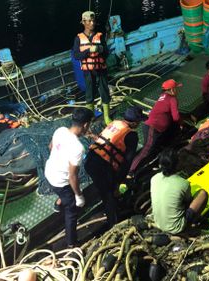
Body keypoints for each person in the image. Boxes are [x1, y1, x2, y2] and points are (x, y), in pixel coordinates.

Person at [84, 106, 146, 227]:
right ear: (134, 122)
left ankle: (111, 204)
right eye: (139, 121)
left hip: (90, 159)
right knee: (109, 194)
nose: (139, 124)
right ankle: (114, 223)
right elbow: (127, 161)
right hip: (101, 165)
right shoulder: (131, 135)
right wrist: (119, 180)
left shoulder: (115, 123)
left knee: (105, 188)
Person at [44, 108, 94, 248]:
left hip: (49, 172)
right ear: (85, 125)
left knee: (62, 193)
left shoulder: (60, 130)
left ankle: (58, 203)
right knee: (71, 211)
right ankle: (72, 243)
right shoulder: (78, 148)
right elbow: (72, 176)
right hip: (61, 181)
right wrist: (79, 195)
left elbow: (50, 146)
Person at [128, 79, 182, 177]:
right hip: (153, 128)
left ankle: (140, 166)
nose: (178, 91)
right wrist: (181, 124)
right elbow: (176, 117)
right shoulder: (172, 99)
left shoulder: (162, 96)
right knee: (146, 149)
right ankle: (131, 171)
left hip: (152, 127)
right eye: (176, 88)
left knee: (151, 148)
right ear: (172, 90)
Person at [150, 148, 208, 234]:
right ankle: (189, 226)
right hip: (176, 228)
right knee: (203, 194)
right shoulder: (182, 183)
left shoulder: (154, 178)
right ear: (177, 164)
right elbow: (188, 200)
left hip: (158, 223)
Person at [72, 11, 112, 125]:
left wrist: (100, 49)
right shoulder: (78, 39)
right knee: (90, 93)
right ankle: (90, 116)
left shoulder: (100, 36)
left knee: (104, 91)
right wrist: (88, 50)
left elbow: (106, 52)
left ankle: (106, 116)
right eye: (89, 21)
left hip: (101, 69)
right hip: (88, 71)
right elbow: (76, 55)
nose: (92, 23)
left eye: (93, 20)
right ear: (84, 22)